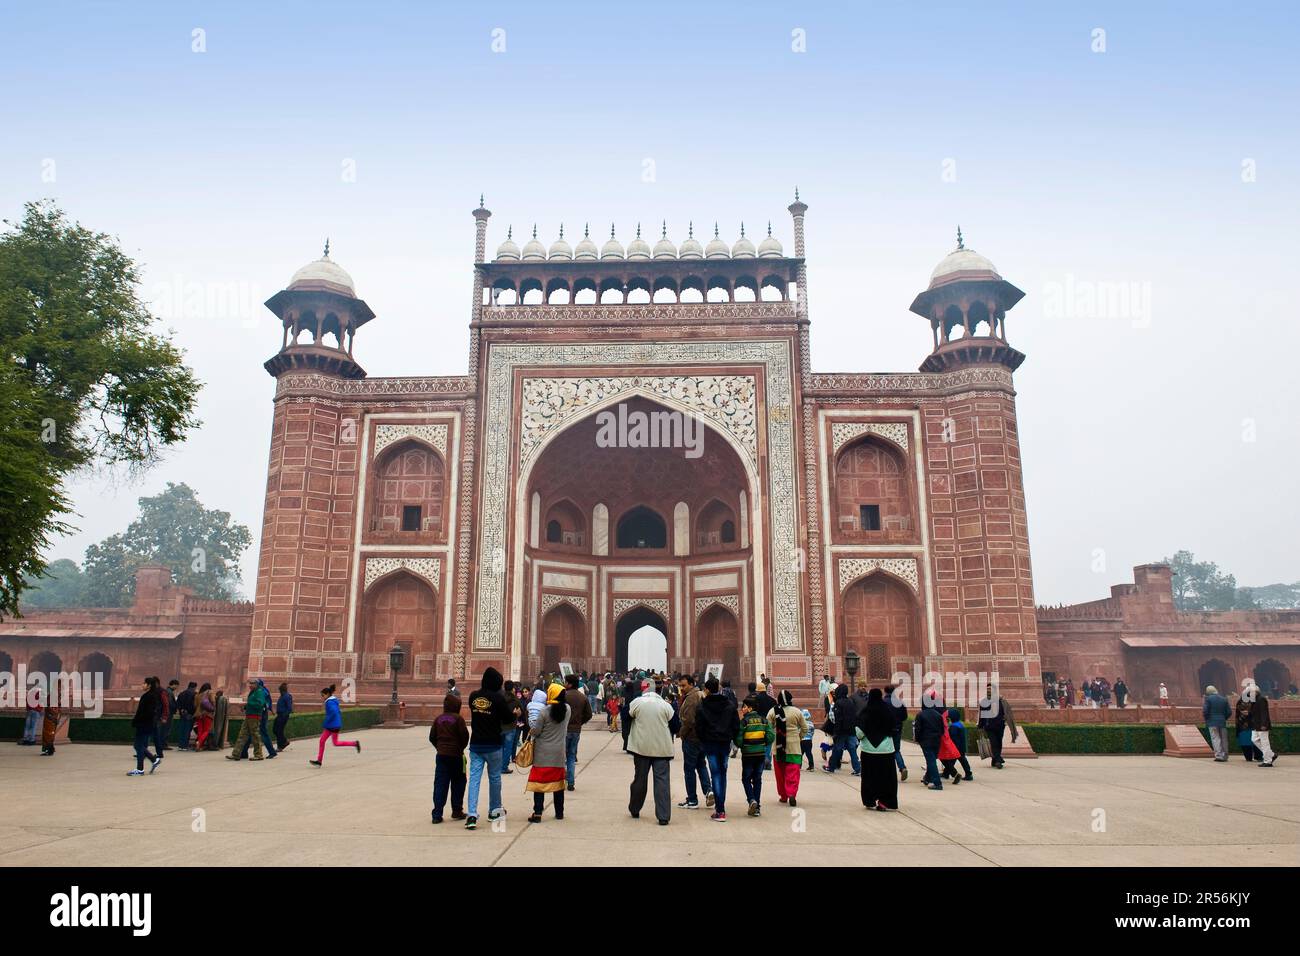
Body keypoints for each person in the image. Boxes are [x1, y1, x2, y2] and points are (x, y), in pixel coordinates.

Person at [465, 666, 513, 830]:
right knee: (495, 779)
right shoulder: (498, 699)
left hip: (476, 744)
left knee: (474, 779)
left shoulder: (473, 696)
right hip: (493, 745)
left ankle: (471, 814)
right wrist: (516, 714)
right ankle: (494, 811)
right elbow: (507, 718)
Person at [628, 681, 675, 825]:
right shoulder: (666, 705)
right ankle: (663, 816)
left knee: (640, 780)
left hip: (641, 748)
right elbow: (675, 725)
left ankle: (635, 809)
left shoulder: (637, 703)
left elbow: (626, 717)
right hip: (662, 750)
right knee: (662, 782)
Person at [696, 677, 740, 822]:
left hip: (710, 744)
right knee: (722, 773)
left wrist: (704, 740)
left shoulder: (703, 706)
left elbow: (699, 727)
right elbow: (736, 725)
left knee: (715, 774)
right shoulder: (728, 705)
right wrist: (729, 737)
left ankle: (720, 811)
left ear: (707, 690)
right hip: (724, 743)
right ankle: (721, 807)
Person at [526, 683, 570, 823]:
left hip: (542, 753)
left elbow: (537, 731)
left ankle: (538, 813)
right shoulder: (567, 709)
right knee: (558, 785)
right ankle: (559, 813)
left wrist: (531, 730)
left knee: (539, 784)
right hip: (558, 754)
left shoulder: (544, 711)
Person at [429, 693, 469, 823]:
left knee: (440, 784)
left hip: (441, 756)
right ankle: (457, 810)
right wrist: (460, 748)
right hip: (456, 756)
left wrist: (439, 747)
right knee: (458, 783)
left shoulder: (438, 719)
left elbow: (432, 737)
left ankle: (437, 814)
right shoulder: (458, 719)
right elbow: (464, 737)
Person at [857, 688, 899, 810]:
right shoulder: (887, 711)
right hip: (886, 750)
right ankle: (885, 802)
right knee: (886, 778)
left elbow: (859, 732)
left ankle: (870, 800)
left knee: (869, 777)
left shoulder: (865, 711)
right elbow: (894, 728)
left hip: (868, 750)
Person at [675, 674, 713, 810]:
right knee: (701, 765)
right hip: (702, 738)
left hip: (692, 738)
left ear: (692, 684)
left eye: (684, 685)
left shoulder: (691, 698)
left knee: (689, 769)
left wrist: (682, 734)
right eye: (680, 685)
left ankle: (692, 800)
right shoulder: (702, 694)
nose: (682, 688)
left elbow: (689, 720)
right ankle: (709, 791)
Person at [768, 690, 808, 808]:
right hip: (794, 747)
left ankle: (784, 796)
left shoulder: (773, 711)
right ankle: (792, 794)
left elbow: (768, 728)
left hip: (778, 748)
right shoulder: (796, 712)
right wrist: (798, 737)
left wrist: (773, 739)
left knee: (780, 774)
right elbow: (805, 728)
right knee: (793, 772)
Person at [736, 700, 774, 816]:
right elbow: (771, 736)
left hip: (748, 755)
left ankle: (751, 800)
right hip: (760, 754)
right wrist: (762, 743)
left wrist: (743, 745)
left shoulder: (744, 722)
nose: (742, 709)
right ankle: (757, 808)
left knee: (746, 779)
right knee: (757, 779)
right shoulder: (764, 720)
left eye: (744, 707)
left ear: (750, 708)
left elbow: (738, 739)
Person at [308, 684, 360, 767]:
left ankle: (354, 743)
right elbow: (337, 712)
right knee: (324, 741)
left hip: (332, 726)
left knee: (333, 742)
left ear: (327, 694)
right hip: (334, 725)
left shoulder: (329, 702)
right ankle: (319, 761)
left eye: (322, 695)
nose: (322, 697)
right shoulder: (333, 701)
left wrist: (327, 721)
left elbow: (334, 712)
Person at [563, 673, 593, 791]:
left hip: (564, 729)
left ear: (569, 684)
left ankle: (561, 780)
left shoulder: (564, 695)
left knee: (562, 756)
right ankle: (571, 782)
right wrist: (580, 722)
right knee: (571, 756)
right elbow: (589, 714)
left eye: (565, 682)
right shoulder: (583, 697)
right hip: (576, 730)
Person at [977, 683, 1018, 769]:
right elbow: (982, 715)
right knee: (994, 742)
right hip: (989, 726)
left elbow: (1006, 713)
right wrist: (980, 726)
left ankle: (994, 760)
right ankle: (999, 760)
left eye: (990, 689)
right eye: (987, 689)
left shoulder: (1001, 701)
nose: (988, 690)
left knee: (999, 743)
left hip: (1000, 726)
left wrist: (1006, 720)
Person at [823, 684, 860, 775]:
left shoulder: (838, 703)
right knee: (852, 750)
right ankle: (857, 769)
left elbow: (837, 719)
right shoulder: (850, 701)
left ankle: (831, 767)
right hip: (851, 730)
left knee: (837, 748)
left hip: (842, 731)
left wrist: (836, 732)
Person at [129, 677, 163, 776]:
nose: (142, 685)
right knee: (139, 745)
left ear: (149, 685)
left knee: (139, 746)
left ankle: (140, 769)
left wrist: (137, 721)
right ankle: (153, 759)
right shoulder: (150, 696)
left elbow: (146, 712)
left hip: (144, 724)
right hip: (146, 724)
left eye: (144, 683)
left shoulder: (149, 696)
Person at [913, 689, 946, 790]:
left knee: (931, 761)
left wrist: (918, 740)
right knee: (931, 760)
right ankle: (927, 778)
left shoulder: (920, 715)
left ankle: (937, 783)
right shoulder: (937, 714)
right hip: (936, 740)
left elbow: (917, 730)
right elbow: (942, 729)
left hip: (926, 741)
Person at [227, 679, 266, 761]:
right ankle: (236, 754)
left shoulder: (259, 692)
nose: (250, 685)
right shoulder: (253, 692)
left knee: (255, 735)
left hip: (255, 716)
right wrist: (245, 707)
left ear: (256, 684)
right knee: (242, 735)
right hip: (249, 716)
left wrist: (247, 704)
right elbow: (251, 703)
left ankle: (259, 754)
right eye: (250, 684)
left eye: (252, 684)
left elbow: (260, 704)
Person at [238, 679, 278, 759]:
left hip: (260, 714)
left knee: (262, 733)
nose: (250, 685)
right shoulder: (257, 691)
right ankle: (244, 752)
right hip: (256, 714)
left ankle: (271, 752)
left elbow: (262, 703)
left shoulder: (261, 692)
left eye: (253, 683)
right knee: (250, 732)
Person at [1244, 683, 1277, 767]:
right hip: (1256, 724)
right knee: (1254, 740)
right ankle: (1271, 754)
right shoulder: (1253, 700)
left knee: (1265, 743)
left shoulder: (1261, 699)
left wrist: (1264, 724)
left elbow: (1264, 713)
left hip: (1262, 725)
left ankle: (1268, 761)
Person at [940, 708, 973, 782]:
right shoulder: (960, 724)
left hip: (956, 748)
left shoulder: (953, 727)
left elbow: (953, 739)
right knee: (963, 761)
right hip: (961, 747)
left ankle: (947, 774)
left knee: (949, 762)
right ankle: (968, 774)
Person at [884, 684, 908, 781]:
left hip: (885, 730)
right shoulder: (899, 702)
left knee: (885, 751)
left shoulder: (883, 702)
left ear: (885, 691)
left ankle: (886, 773)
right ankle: (902, 767)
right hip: (897, 729)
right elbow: (904, 717)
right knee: (896, 750)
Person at [1202, 685, 1231, 761]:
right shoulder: (1224, 699)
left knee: (1216, 738)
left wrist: (1207, 719)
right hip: (1222, 722)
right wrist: (1224, 718)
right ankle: (1225, 755)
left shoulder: (1208, 699)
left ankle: (1218, 755)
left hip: (1212, 722)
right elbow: (1229, 712)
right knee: (1224, 739)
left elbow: (1205, 711)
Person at [499, 680, 521, 774]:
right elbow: (521, 711)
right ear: (513, 689)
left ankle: (497, 766)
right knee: (508, 747)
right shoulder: (516, 699)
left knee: (499, 747)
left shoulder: (500, 697)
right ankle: (504, 767)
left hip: (500, 726)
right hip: (511, 726)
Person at [1235, 691, 1259, 762]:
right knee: (1255, 741)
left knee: (1246, 742)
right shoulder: (1253, 701)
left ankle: (1249, 757)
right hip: (1251, 725)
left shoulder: (1241, 701)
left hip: (1243, 726)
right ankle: (1258, 756)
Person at [174, 682, 197, 750]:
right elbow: (194, 705)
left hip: (182, 714)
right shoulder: (194, 694)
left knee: (182, 730)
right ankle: (184, 745)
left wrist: (181, 710)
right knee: (187, 730)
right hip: (190, 715)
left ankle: (180, 745)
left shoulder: (181, 693)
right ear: (194, 687)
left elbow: (177, 703)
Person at [272, 683, 294, 751]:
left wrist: (284, 715)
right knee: (276, 730)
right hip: (280, 715)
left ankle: (280, 746)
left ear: (282, 690)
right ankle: (284, 742)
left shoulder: (286, 696)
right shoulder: (282, 696)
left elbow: (289, 708)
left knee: (279, 731)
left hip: (283, 716)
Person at [194, 683, 215, 751]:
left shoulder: (197, 695)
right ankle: (199, 743)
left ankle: (199, 745)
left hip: (198, 714)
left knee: (200, 730)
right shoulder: (210, 692)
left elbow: (195, 705)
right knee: (206, 730)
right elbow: (213, 701)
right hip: (207, 714)